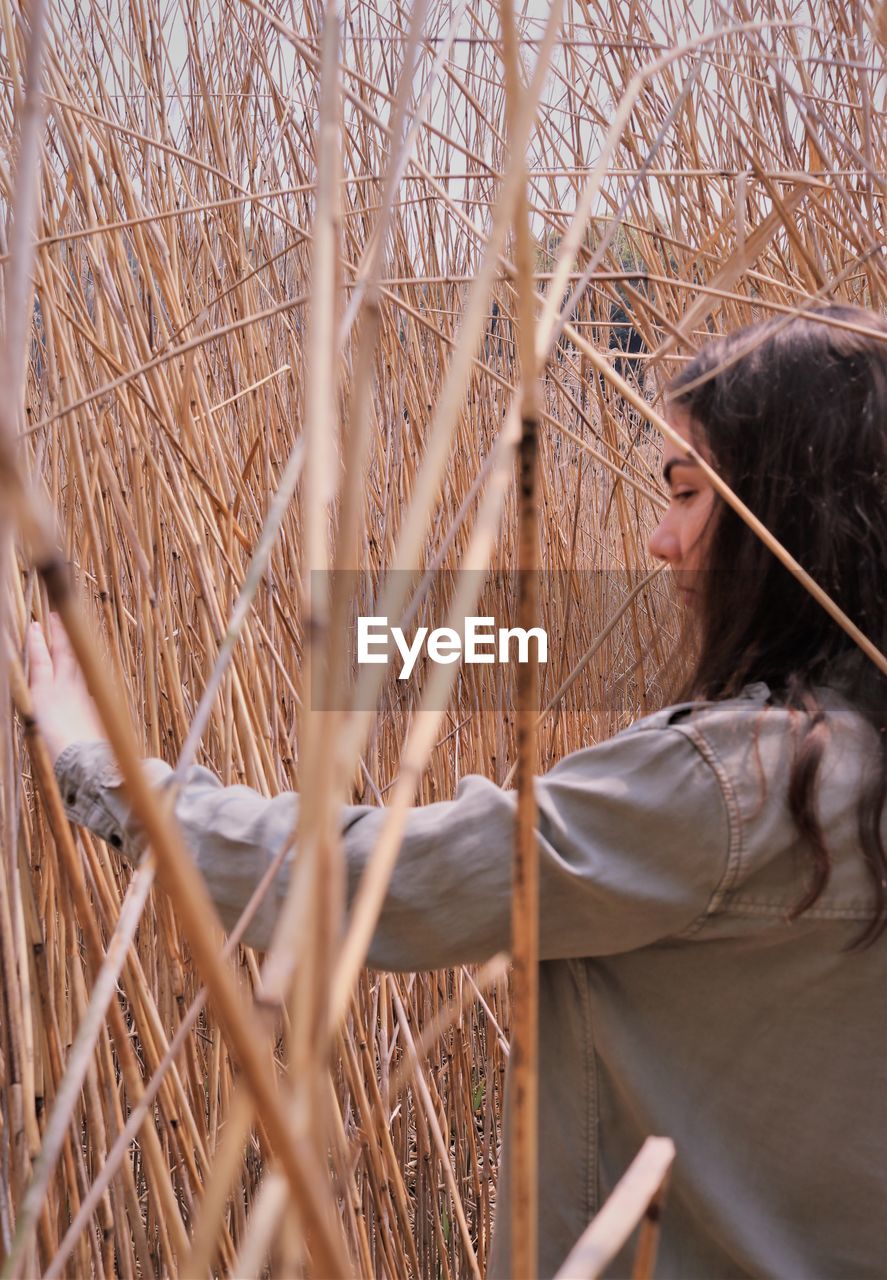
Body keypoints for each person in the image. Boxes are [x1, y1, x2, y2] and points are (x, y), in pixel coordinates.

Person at [27, 303, 886, 1279]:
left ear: (791, 516)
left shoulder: (732, 786)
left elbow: (373, 878)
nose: (655, 539)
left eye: (686, 493)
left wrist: (100, 769)